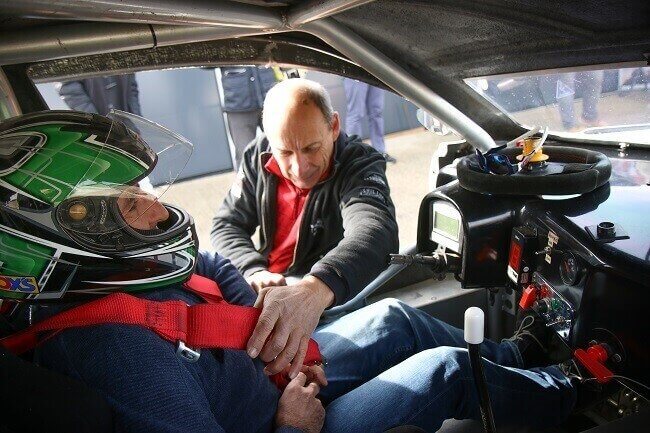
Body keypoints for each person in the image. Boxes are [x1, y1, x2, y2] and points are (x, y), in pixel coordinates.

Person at [0, 110, 578, 433]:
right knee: (443, 371)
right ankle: (572, 395)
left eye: (141, 191)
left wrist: (268, 318)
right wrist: (293, 424)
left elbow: (210, 262)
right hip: (278, 418)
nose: (156, 210)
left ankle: (523, 358)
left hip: (269, 365)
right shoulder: (110, 351)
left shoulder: (124, 267)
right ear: (63, 234)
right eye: (128, 204)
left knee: (396, 320)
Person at [211, 78, 399, 373]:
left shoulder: (359, 165)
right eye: (285, 152)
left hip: (328, 306)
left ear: (333, 126)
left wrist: (314, 290)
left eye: (311, 148)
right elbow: (227, 223)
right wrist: (253, 269)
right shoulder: (257, 155)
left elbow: (374, 230)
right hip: (261, 296)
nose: (299, 167)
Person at [218, 66, 278, 169]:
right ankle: (246, 185)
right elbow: (206, 60)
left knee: (282, 148)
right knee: (245, 156)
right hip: (238, 105)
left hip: (271, 100)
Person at [343, 77, 395, 163]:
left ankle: (380, 152)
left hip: (374, 72)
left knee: (376, 113)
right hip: (354, 72)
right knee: (356, 113)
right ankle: (355, 155)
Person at [57, 74, 142, 116]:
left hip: (127, 129)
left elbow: (132, 88)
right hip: (98, 131)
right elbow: (70, 91)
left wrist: (137, 123)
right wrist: (98, 123)